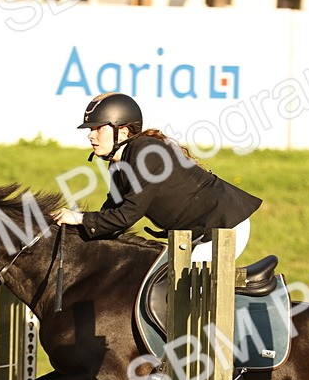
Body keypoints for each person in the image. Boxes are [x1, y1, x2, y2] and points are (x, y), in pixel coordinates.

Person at [52, 93, 261, 262]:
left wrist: (79, 218)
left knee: (184, 286)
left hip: (224, 226)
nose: (90, 135)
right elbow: (111, 214)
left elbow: (128, 215)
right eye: (91, 129)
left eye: (98, 128)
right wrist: (71, 230)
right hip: (197, 232)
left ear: (122, 132)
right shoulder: (118, 165)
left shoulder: (146, 152)